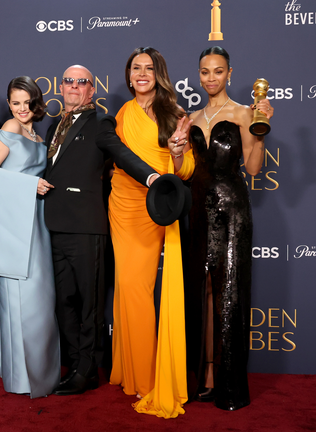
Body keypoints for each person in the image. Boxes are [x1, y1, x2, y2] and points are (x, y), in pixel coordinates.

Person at [43, 64, 185, 397]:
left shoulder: (102, 122)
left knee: (90, 303)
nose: (75, 87)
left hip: (87, 226)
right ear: (60, 87)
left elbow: (121, 153)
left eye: (83, 83)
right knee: (64, 301)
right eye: (69, 82)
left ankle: (88, 370)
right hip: (54, 224)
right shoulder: (52, 128)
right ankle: (75, 364)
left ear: (92, 90)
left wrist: (151, 177)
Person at [107, 47, 195, 419]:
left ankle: (145, 378)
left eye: (149, 68)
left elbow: (186, 170)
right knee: (127, 287)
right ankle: (129, 371)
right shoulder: (123, 113)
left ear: (159, 74)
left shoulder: (175, 114)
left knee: (138, 288)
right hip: (120, 204)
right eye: (135, 68)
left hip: (154, 208)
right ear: (128, 76)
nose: (141, 74)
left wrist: (177, 151)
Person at [185, 46, 273, 411]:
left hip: (232, 210)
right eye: (204, 72)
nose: (210, 78)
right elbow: (186, 170)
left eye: (217, 72)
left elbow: (252, 169)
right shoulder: (190, 118)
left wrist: (262, 128)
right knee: (201, 293)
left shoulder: (243, 113)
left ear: (230, 74)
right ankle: (204, 375)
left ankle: (229, 381)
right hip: (196, 208)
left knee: (229, 294)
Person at [0, 77, 60, 398]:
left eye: (26, 102)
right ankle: (21, 379)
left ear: (36, 103)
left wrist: (26, 186)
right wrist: (27, 185)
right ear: (9, 104)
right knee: (17, 300)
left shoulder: (38, 133)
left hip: (37, 220)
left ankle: (40, 373)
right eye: (15, 102)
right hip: (14, 220)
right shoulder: (9, 126)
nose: (21, 109)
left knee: (39, 299)